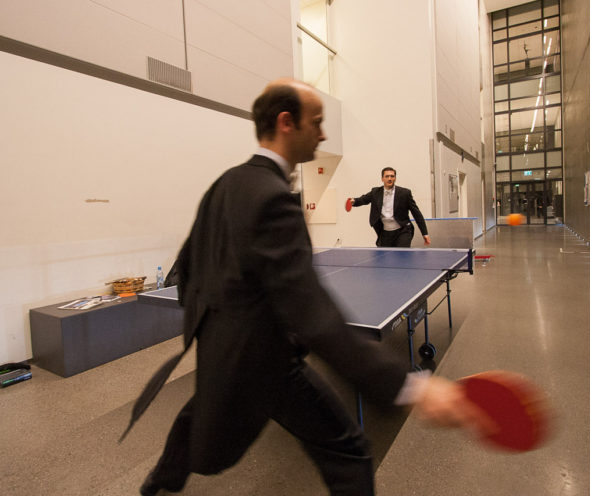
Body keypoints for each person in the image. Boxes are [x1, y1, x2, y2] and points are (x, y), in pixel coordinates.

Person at [125, 78, 492, 496]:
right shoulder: (273, 197)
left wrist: (213, 333)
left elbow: (187, 267)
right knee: (351, 450)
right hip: (267, 362)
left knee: (198, 417)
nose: (323, 132)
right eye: (316, 122)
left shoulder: (225, 183)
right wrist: (408, 386)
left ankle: (157, 484)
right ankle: (160, 481)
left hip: (233, 355)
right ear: (286, 122)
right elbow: (313, 313)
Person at [350, 167, 431, 247]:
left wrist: (424, 233)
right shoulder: (375, 192)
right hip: (385, 232)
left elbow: (417, 214)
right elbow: (363, 200)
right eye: (387, 176)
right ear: (382, 178)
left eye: (392, 176)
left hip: (403, 231)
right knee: (384, 258)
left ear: (395, 178)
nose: (390, 178)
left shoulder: (404, 193)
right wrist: (353, 201)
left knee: (401, 255)